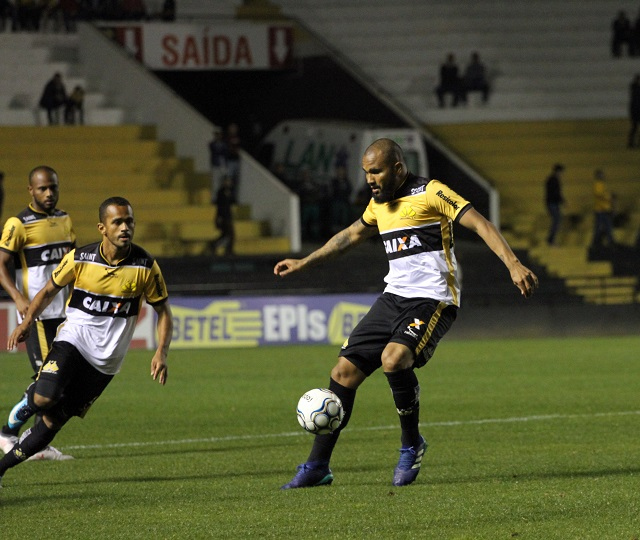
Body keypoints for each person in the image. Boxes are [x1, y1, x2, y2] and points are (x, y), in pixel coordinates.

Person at [274, 138, 538, 489]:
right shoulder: (377, 204)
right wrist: (305, 262)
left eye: (376, 171)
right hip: (393, 298)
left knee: (394, 358)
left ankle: (411, 444)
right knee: (343, 371)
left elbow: (480, 224)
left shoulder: (432, 193)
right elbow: (351, 235)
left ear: (398, 168)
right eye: (366, 172)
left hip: (433, 299)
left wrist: (514, 264)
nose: (369, 178)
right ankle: (317, 465)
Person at [0, 196, 173, 488]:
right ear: (102, 227)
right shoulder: (80, 258)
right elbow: (47, 291)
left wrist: (161, 352)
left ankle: (1, 469)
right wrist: (27, 321)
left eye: (129, 221)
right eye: (117, 222)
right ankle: (14, 421)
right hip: (73, 341)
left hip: (105, 364)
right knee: (44, 397)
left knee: (52, 423)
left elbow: (163, 311)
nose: (124, 228)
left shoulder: (145, 266)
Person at [0, 166, 76, 461]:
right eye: (43, 188)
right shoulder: (18, 224)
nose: (49, 193)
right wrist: (18, 298)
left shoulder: (64, 219)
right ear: (30, 190)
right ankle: (9, 434)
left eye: (53, 188)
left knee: (56, 383)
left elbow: (75, 263)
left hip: (66, 315)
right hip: (38, 316)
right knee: (48, 383)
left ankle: (33, 444)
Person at [209, 175, 235, 256]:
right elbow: (220, 206)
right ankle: (227, 250)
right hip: (224, 217)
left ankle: (215, 245)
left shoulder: (229, 192)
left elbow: (231, 202)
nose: (229, 183)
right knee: (230, 234)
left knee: (226, 234)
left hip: (227, 216)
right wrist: (219, 217)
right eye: (227, 181)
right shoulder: (221, 192)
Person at [591, 169, 615, 250]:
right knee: (600, 226)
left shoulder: (601, 185)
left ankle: (609, 240)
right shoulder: (598, 185)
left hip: (604, 210)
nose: (603, 176)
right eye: (601, 174)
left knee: (607, 226)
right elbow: (599, 195)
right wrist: (609, 197)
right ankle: (596, 241)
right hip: (600, 210)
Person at [545, 163, 565, 245]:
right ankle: (551, 239)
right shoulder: (554, 180)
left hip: (552, 203)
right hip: (552, 203)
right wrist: (562, 201)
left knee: (556, 220)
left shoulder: (551, 179)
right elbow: (555, 193)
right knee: (557, 220)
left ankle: (551, 239)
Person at [329, 165, 353, 234]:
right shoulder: (334, 181)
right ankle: (334, 232)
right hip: (336, 201)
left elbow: (349, 190)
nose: (341, 172)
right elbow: (333, 191)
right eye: (339, 171)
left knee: (344, 217)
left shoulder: (347, 181)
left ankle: (343, 232)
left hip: (344, 202)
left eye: (342, 171)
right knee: (335, 217)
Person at [208, 128, 228, 200]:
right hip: (215, 165)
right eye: (216, 134)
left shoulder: (224, 144)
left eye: (219, 134)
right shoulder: (212, 144)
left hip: (222, 165)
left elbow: (224, 153)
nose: (218, 136)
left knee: (222, 183)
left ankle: (221, 198)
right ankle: (214, 199)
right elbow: (215, 151)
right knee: (214, 183)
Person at [628, 74, 640, 148]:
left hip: (635, 112)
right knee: (634, 128)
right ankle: (631, 143)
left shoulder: (634, 89)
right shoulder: (636, 90)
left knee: (634, 128)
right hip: (636, 112)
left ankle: (631, 143)